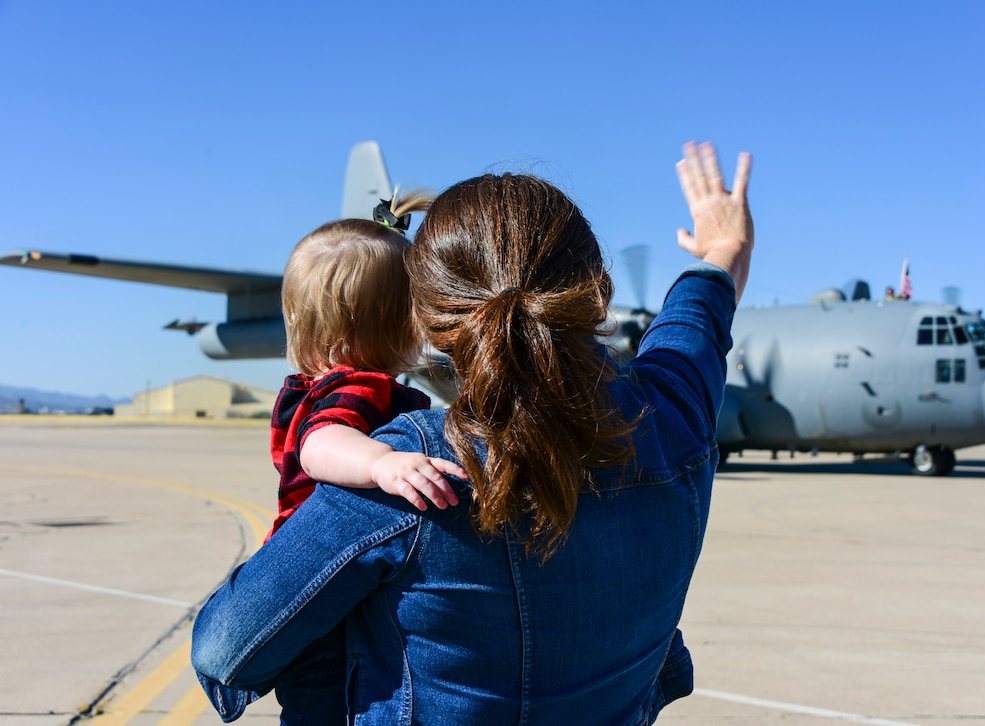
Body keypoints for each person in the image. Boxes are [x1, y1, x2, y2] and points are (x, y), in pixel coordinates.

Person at [192, 140, 754, 724]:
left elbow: (224, 649)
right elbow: (697, 321)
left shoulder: (409, 467)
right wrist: (724, 248)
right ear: (597, 291)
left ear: (432, 317)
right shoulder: (675, 414)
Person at [259, 197, 465, 724]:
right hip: (325, 587)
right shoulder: (359, 388)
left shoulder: (311, 388)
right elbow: (319, 444)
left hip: (301, 574)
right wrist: (381, 464)